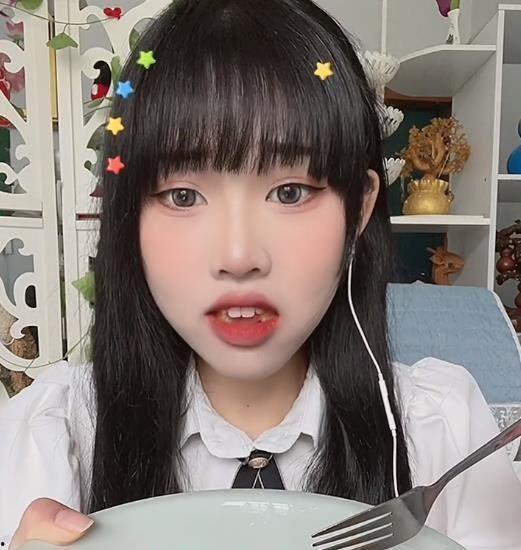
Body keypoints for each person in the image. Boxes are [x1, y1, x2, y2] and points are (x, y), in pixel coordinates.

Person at [1, 0, 521, 548]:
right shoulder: (57, 433)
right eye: (183, 195)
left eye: (289, 192)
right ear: (128, 215)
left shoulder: (440, 431)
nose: (239, 254)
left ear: (361, 207)